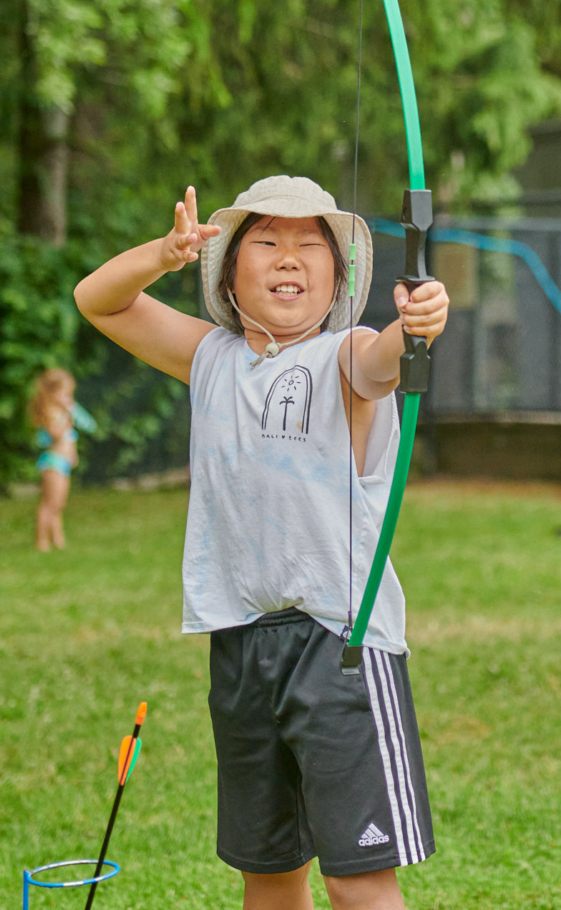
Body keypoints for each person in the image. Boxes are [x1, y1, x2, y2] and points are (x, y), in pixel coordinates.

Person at [73, 176, 450, 910]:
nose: (289, 257)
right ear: (226, 274)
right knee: (269, 874)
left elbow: (381, 360)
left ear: (338, 280)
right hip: (241, 638)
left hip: (340, 643)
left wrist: (416, 324)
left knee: (357, 880)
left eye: (311, 245)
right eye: (268, 242)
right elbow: (98, 299)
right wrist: (164, 254)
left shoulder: (342, 355)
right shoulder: (210, 356)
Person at [28, 368, 96, 551]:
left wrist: (73, 410)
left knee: (58, 504)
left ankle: (58, 540)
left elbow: (89, 426)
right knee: (48, 504)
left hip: (63, 463)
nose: (69, 398)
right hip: (53, 463)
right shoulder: (50, 413)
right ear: (52, 393)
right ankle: (41, 541)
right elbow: (55, 436)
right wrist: (65, 420)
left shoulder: (63, 412)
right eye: (65, 394)